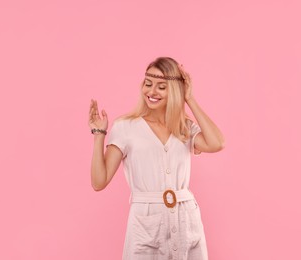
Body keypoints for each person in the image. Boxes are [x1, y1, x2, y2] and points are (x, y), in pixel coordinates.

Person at [89, 57, 225, 260]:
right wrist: (99, 134)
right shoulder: (126, 127)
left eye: (162, 87)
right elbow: (99, 182)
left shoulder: (184, 127)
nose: (151, 92)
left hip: (186, 218)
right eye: (148, 84)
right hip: (145, 223)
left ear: (175, 90)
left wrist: (190, 99)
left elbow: (217, 143)